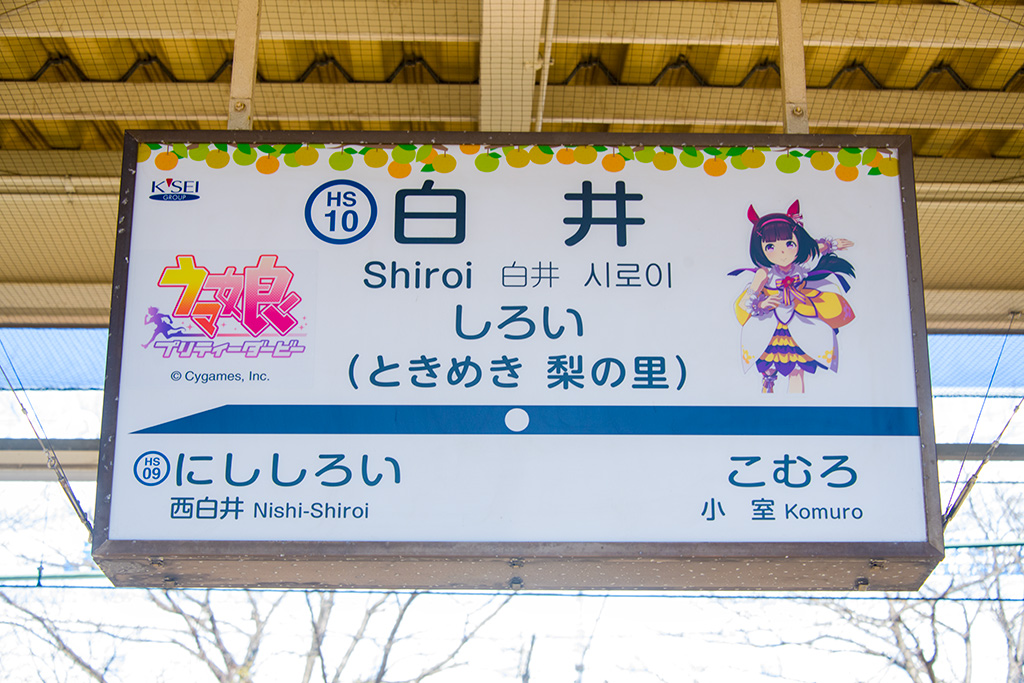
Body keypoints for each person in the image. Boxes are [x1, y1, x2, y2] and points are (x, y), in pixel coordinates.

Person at [728, 200, 856, 393]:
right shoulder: (764, 274)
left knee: (797, 370)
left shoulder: (801, 265)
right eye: (770, 247)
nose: (782, 253)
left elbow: (817, 248)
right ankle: (767, 390)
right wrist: (761, 304)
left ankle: (797, 406)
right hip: (771, 324)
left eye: (789, 244)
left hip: (799, 319)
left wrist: (834, 244)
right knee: (769, 369)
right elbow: (747, 300)